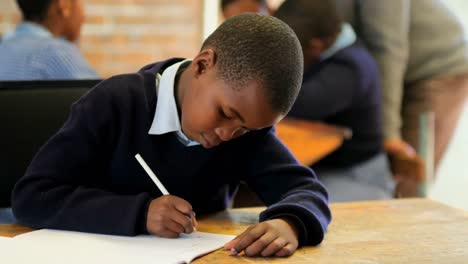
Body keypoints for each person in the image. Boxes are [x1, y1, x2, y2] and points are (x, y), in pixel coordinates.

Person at [11, 14, 331, 258]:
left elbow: (305, 189)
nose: (228, 134)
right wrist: (140, 214)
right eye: (225, 113)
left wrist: (290, 222)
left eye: (247, 128)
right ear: (203, 65)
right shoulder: (115, 104)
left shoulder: (244, 133)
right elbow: (33, 198)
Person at [274, 0, 393, 202]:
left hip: (355, 177)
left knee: (294, 205)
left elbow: (300, 102)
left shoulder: (350, 68)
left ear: (316, 45)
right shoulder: (333, 48)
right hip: (325, 165)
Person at [334, 0, 468, 170]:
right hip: (390, 66)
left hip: (438, 68)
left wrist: (389, 133)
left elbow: (386, 47)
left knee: (405, 172)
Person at [0, 0, 98, 80]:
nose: (84, 15)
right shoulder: (59, 53)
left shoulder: (4, 46)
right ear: (63, 4)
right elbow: (103, 101)